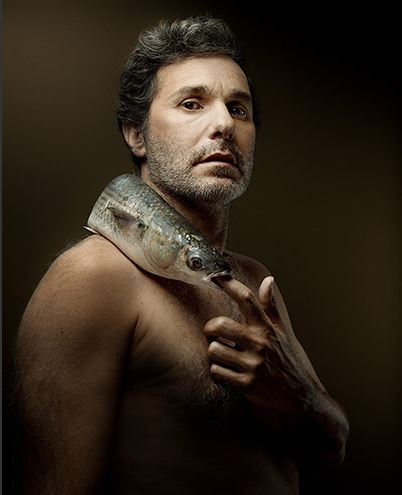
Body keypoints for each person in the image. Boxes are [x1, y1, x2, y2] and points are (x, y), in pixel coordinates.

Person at [15, 14, 349, 495]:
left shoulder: (253, 280)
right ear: (136, 135)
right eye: (192, 103)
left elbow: (332, 448)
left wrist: (294, 395)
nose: (223, 124)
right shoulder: (91, 279)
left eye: (238, 109)